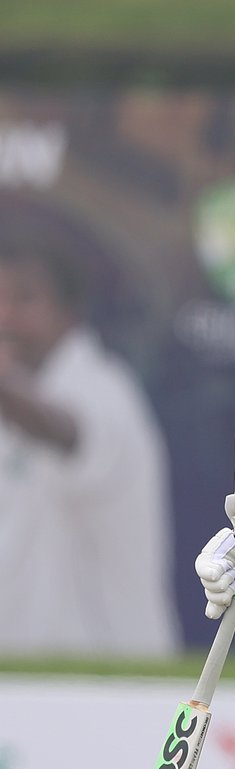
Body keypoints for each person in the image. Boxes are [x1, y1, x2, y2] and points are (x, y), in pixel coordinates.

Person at [0, 238, 180, 656]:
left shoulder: (104, 390)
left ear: (68, 311)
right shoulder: (17, 396)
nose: (5, 316)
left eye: (24, 299)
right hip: (27, 680)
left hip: (110, 675)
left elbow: (66, 432)